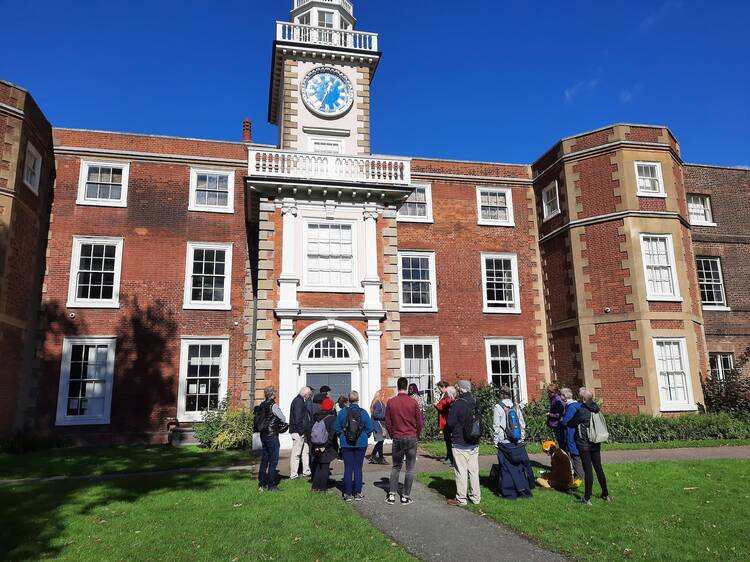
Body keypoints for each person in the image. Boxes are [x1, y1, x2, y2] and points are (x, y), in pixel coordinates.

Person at [565, 387, 610, 505]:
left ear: (584, 399)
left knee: (588, 470)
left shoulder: (582, 411)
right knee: (598, 468)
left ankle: (587, 497)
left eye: (580, 398)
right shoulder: (596, 409)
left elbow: (571, 423)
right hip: (596, 441)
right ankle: (605, 494)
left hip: (584, 443)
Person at [385, 377, 425, 505]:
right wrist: (416, 434)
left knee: (396, 467)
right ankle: (405, 496)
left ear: (397, 387)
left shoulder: (391, 402)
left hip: (398, 437)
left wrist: (392, 434)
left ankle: (391, 495)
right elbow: (419, 422)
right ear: (407, 387)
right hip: (411, 436)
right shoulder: (413, 402)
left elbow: (388, 422)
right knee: (410, 469)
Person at [492, 385, 535, 500]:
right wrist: (521, 437)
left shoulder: (498, 407)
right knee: (519, 466)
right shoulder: (516, 406)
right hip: (517, 441)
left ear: (500, 394)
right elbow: (522, 423)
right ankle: (523, 489)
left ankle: (508, 492)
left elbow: (496, 426)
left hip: (504, 441)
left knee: (506, 467)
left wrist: (496, 441)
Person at [445, 380, 481, 507]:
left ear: (460, 389)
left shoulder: (458, 404)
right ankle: (476, 497)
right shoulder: (475, 401)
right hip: (474, 440)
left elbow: (449, 423)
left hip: (460, 441)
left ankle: (461, 498)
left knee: (461, 471)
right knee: (474, 471)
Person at [335, 391, 373, 502]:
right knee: (358, 467)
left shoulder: (342, 412)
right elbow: (370, 428)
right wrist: (364, 435)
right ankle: (357, 493)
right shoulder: (363, 412)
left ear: (348, 399)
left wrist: (343, 435)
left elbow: (336, 428)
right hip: (361, 443)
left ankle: (347, 494)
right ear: (358, 399)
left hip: (346, 443)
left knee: (348, 468)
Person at [255, 386, 287, 492]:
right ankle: (272, 485)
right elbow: (283, 418)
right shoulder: (273, 405)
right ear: (272, 394)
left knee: (265, 459)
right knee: (273, 460)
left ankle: (262, 483)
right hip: (272, 434)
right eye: (275, 392)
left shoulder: (262, 404)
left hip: (263, 434)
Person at [310, 398, 339, 492]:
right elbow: (332, 434)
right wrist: (325, 446)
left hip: (316, 444)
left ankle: (315, 487)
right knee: (325, 467)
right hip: (326, 445)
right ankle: (322, 488)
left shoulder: (316, 416)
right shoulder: (332, 418)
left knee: (318, 465)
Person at [289, 386, 313, 480]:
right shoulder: (298, 401)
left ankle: (306, 471)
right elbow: (298, 418)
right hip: (298, 431)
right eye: (309, 395)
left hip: (301, 431)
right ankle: (294, 474)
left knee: (305, 452)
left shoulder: (299, 400)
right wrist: (301, 431)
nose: (310, 397)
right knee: (296, 453)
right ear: (305, 394)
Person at [561, 387, 584, 479]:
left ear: (565, 396)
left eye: (561, 395)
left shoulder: (571, 407)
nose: (560, 397)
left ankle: (579, 476)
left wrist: (562, 420)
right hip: (577, 433)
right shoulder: (577, 404)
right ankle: (579, 475)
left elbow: (566, 421)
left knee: (575, 455)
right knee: (576, 454)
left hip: (572, 433)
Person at [434, 382, 456, 467]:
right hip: (445, 420)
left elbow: (445, 407)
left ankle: (450, 458)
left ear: (443, 387)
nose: (439, 390)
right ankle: (448, 456)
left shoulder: (448, 395)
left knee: (449, 441)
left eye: (439, 388)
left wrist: (437, 406)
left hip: (447, 421)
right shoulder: (445, 395)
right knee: (447, 441)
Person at [368, 390, 388, 465]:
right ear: (379, 395)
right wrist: (385, 416)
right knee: (380, 442)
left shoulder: (378, 403)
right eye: (382, 395)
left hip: (379, 426)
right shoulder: (378, 403)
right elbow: (376, 415)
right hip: (378, 426)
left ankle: (375, 456)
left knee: (380, 442)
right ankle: (380, 458)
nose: (383, 396)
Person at [547, 383, 566, 450]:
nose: (547, 393)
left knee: (561, 443)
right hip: (554, 424)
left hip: (558, 424)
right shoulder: (553, 398)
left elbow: (558, 414)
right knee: (559, 443)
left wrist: (549, 414)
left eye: (548, 391)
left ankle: (564, 458)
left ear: (552, 392)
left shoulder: (557, 400)